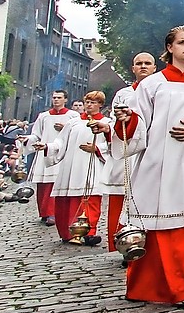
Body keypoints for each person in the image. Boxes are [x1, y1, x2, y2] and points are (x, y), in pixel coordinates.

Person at [109, 27, 184, 307]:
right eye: (182, 43)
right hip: (156, 165)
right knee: (156, 230)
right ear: (169, 48)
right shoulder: (152, 85)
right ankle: (146, 287)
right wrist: (127, 121)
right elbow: (138, 126)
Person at [102, 52, 157, 252]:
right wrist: (109, 128)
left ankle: (148, 245)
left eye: (147, 63)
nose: (143, 66)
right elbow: (112, 121)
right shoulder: (123, 94)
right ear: (133, 69)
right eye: (139, 63)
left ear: (154, 68)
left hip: (152, 154)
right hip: (127, 154)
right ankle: (122, 246)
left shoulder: (162, 90)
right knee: (120, 202)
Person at [44, 91, 114, 245]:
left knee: (91, 199)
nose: (89, 105)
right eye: (87, 102)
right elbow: (60, 142)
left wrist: (96, 148)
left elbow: (112, 144)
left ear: (100, 105)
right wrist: (46, 147)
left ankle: (89, 233)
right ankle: (67, 232)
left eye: (93, 102)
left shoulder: (107, 123)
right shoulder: (73, 123)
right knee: (66, 200)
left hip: (92, 164)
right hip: (71, 166)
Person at [23, 91, 81, 228]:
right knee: (44, 185)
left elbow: (78, 133)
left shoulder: (73, 116)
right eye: (54, 98)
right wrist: (27, 140)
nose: (56, 100)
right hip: (45, 153)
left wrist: (65, 128)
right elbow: (36, 134)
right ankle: (44, 212)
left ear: (65, 100)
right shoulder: (44, 116)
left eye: (59, 98)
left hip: (63, 154)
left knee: (58, 184)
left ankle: (54, 213)